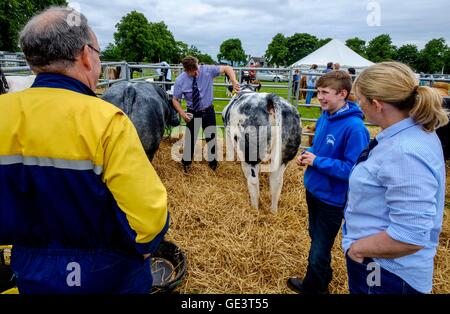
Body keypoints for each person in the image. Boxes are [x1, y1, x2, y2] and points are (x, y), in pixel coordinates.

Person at [0, 7, 169, 294]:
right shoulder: (107, 122)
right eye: (99, 53)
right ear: (84, 55)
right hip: (107, 272)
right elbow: (149, 217)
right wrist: (144, 247)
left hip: (30, 269)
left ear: (31, 61)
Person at [343, 61, 448, 294]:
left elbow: (410, 235)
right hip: (385, 263)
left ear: (377, 104)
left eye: (360, 99)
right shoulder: (414, 133)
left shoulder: (404, 152)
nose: (359, 105)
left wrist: (358, 250)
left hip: (386, 270)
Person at [288, 70, 370, 294]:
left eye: (325, 92)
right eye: (318, 92)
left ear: (343, 93)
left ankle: (313, 287)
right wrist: (308, 155)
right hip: (314, 189)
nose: (319, 97)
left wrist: (317, 161)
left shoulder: (355, 128)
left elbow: (353, 170)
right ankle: (323, 278)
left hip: (332, 199)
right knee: (316, 239)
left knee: (319, 247)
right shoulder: (325, 115)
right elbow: (320, 147)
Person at [172, 56, 239, 172]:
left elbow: (227, 68)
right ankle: (186, 165)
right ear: (187, 70)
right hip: (192, 113)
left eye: (197, 68)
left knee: (211, 139)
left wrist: (233, 80)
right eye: (194, 71)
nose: (198, 72)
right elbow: (175, 99)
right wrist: (183, 114)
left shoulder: (207, 70)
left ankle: (213, 166)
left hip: (208, 111)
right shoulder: (180, 80)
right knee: (190, 141)